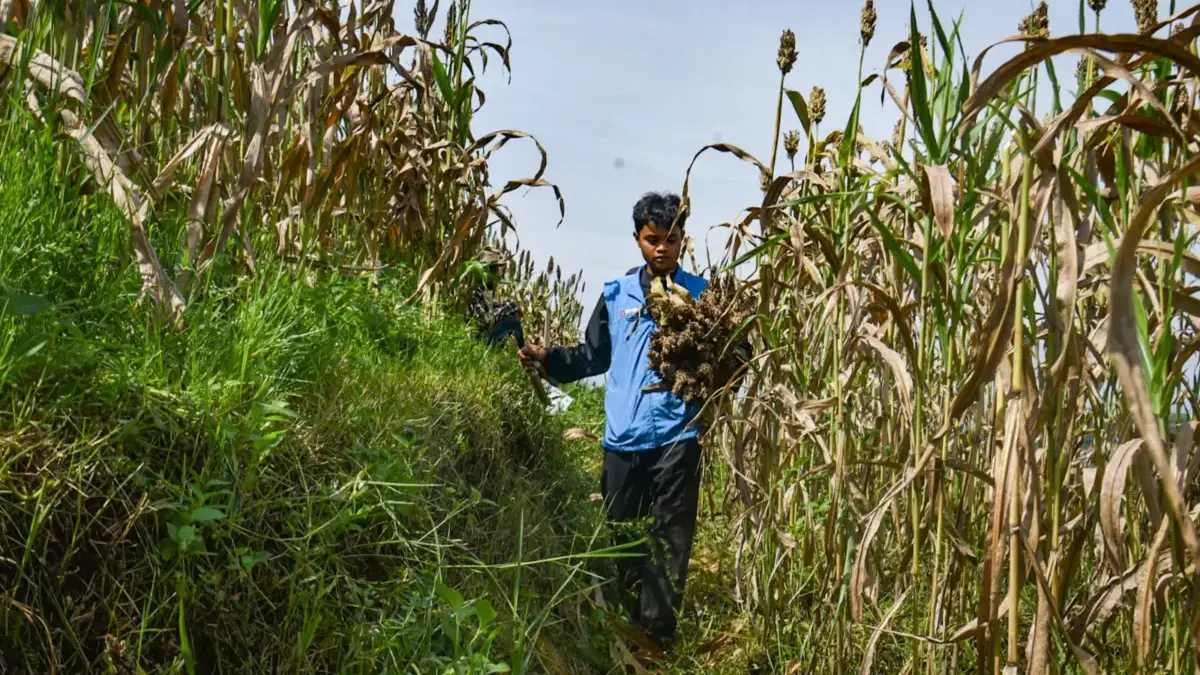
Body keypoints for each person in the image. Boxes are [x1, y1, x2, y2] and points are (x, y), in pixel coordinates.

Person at [518, 191, 746, 652]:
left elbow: (733, 357)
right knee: (623, 536)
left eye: (671, 239)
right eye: (652, 239)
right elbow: (592, 357)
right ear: (638, 239)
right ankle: (623, 630)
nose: (662, 248)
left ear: (683, 240)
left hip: (679, 437)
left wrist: (726, 372)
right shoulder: (615, 295)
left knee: (670, 540)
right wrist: (548, 360)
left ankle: (655, 642)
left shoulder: (702, 297)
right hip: (622, 439)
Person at [466, 247, 525, 348]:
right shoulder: (476, 291)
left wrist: (507, 307)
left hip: (483, 338)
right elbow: (485, 321)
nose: (497, 274)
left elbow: (491, 308)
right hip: (478, 341)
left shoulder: (484, 291)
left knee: (512, 316)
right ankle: (523, 350)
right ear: (486, 270)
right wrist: (511, 307)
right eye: (495, 270)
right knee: (513, 322)